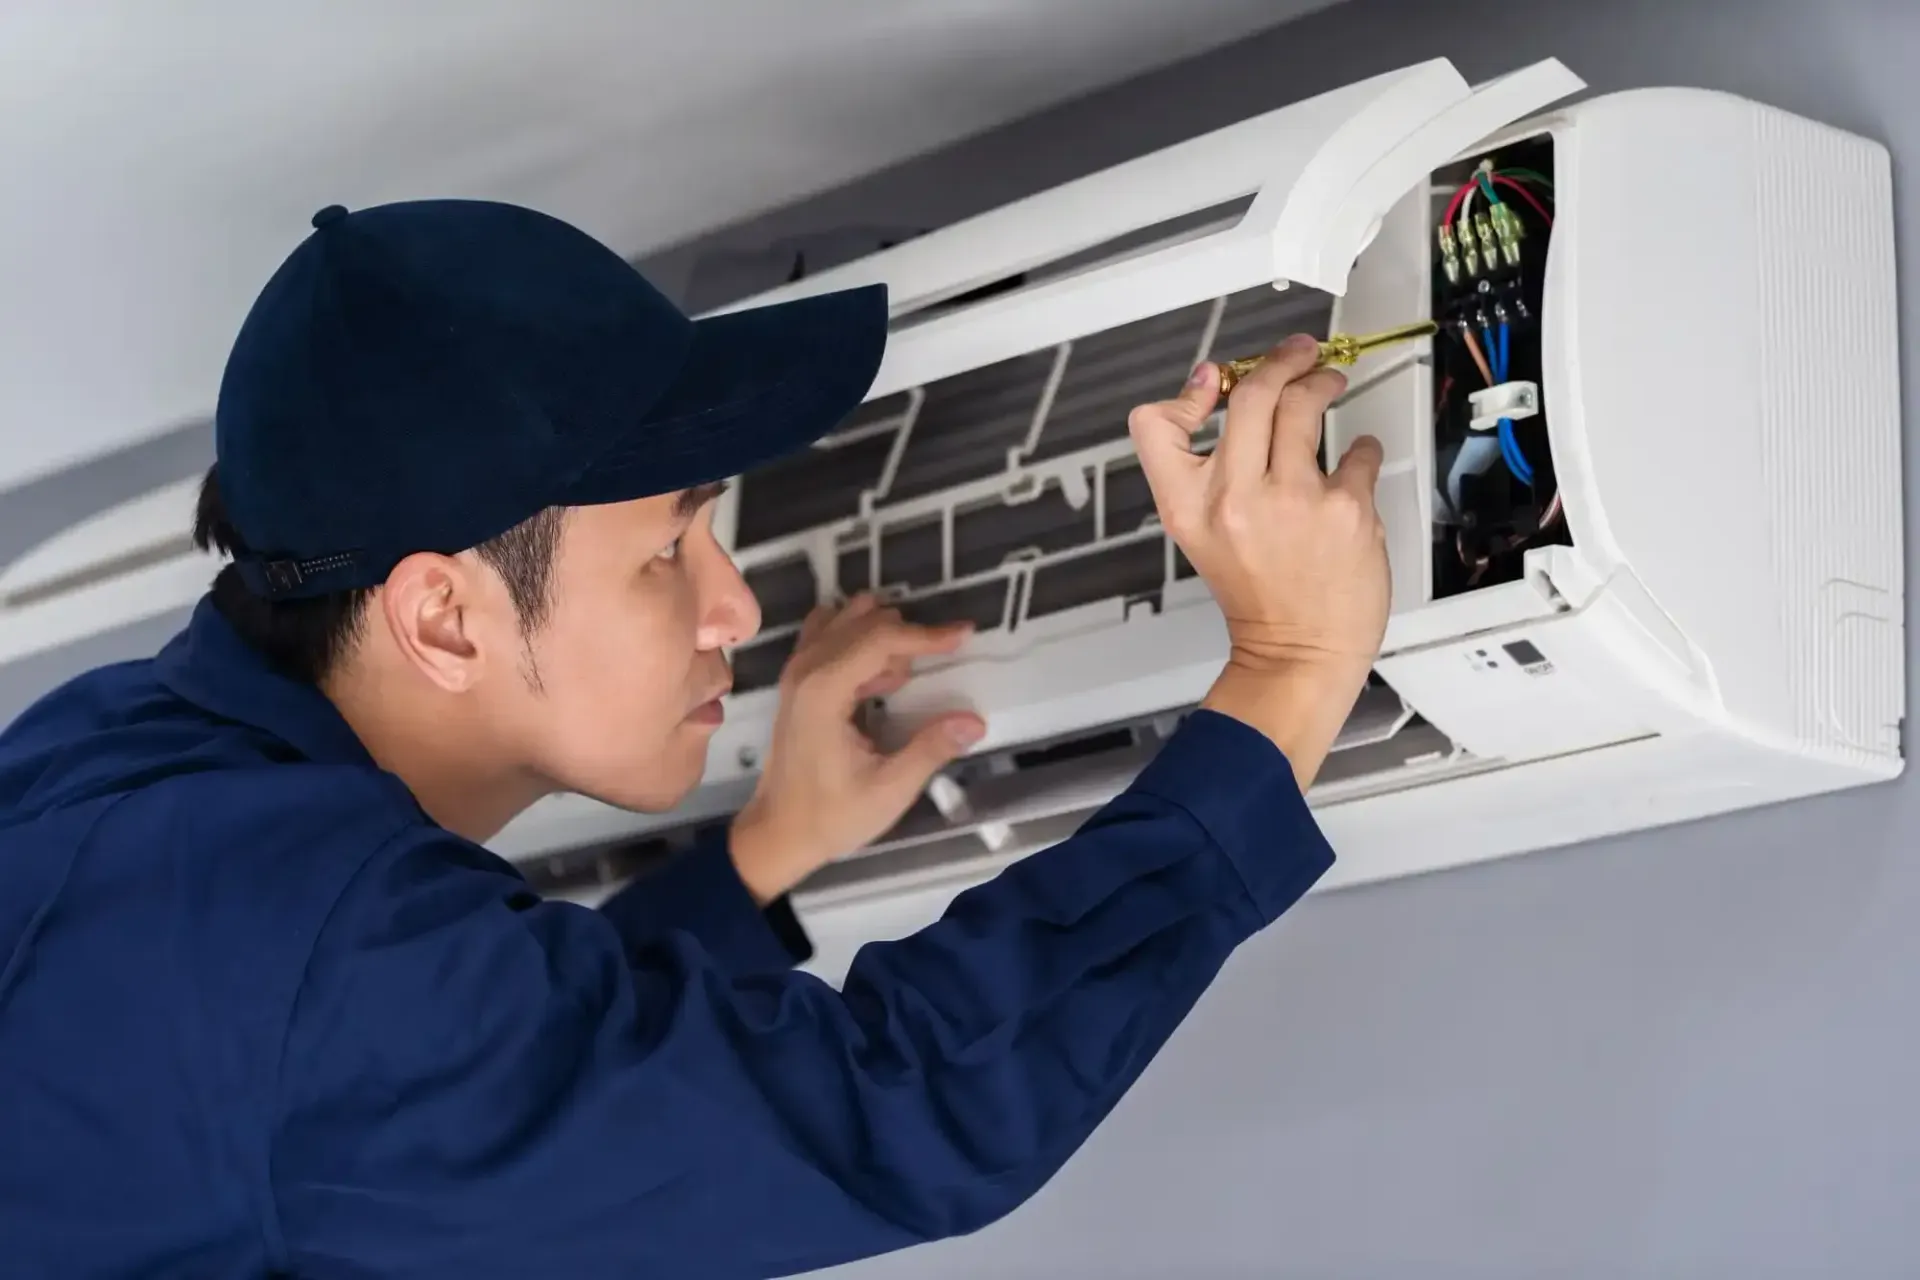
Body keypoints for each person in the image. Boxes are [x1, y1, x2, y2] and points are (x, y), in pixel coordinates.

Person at [0, 199, 1388, 1279]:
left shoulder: (98, 763)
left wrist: (763, 855)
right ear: (445, 617)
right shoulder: (318, 961)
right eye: (671, 550)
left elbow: (432, 1081)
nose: (736, 606)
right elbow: (891, 1111)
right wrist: (1292, 665)